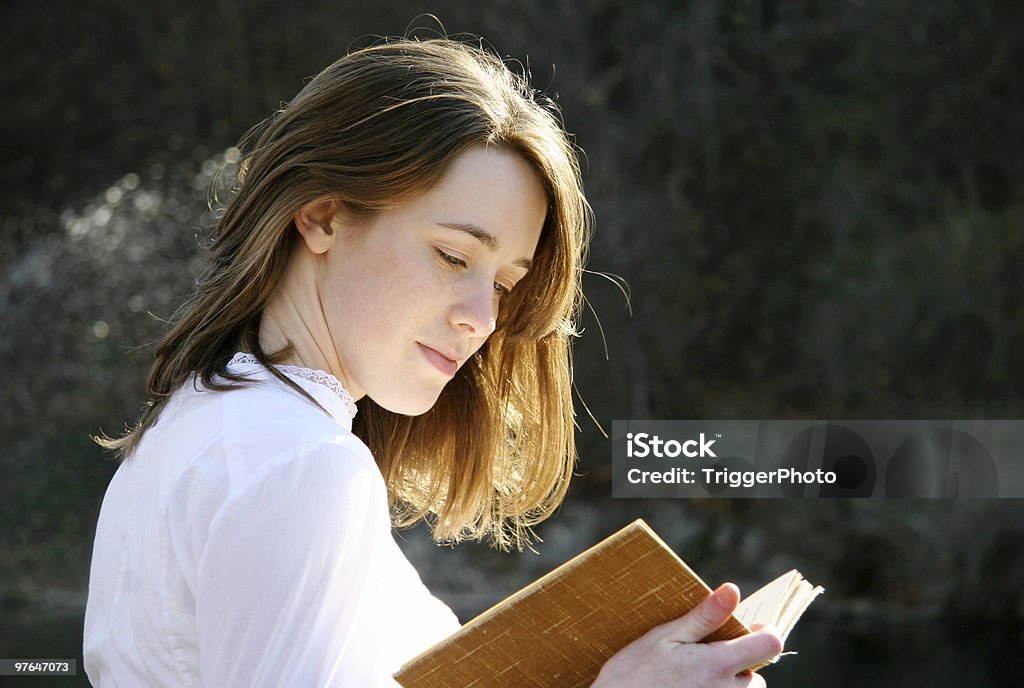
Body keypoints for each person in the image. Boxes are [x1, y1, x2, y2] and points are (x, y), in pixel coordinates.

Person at [83, 36, 781, 687]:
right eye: (454, 257)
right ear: (324, 215)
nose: (482, 318)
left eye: (505, 284)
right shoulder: (300, 462)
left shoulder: (194, 429)